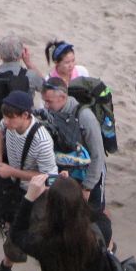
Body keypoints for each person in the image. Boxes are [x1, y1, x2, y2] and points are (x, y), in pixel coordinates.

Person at [0, 88, 57, 271]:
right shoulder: (7, 123)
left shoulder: (42, 141)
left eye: (11, 118)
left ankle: (7, 266)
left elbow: (48, 177)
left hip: (38, 191)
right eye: (5, 117)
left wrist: (12, 171)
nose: (7, 122)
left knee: (29, 230)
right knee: (14, 227)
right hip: (15, 186)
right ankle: (8, 264)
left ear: (26, 115)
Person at [40, 76, 108, 219]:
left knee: (93, 218)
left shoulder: (85, 117)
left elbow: (98, 155)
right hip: (66, 176)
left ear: (63, 97)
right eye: (44, 101)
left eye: (49, 101)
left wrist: (87, 187)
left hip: (88, 177)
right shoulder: (50, 114)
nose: (45, 106)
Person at [0, 35, 42, 158]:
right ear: (21, 55)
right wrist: (29, 63)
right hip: (23, 138)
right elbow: (48, 88)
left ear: (1, 56)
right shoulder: (30, 76)